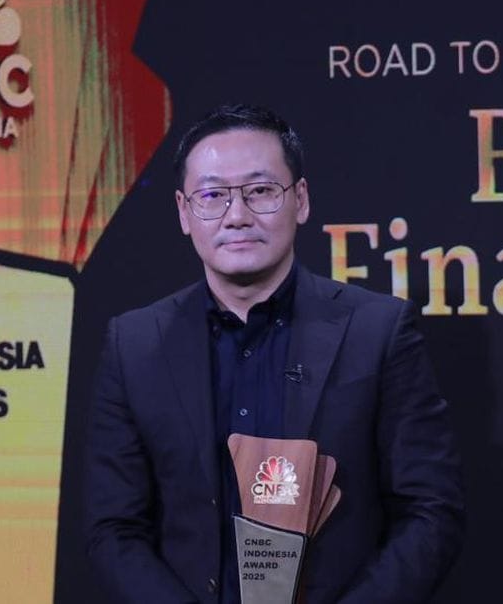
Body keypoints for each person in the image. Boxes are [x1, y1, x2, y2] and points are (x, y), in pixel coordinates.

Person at [84, 104, 463, 603]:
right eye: (213, 195)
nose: (237, 216)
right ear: (183, 211)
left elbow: (430, 510)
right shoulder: (135, 345)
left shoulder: (377, 331)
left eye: (260, 191)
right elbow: (113, 528)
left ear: (300, 200)